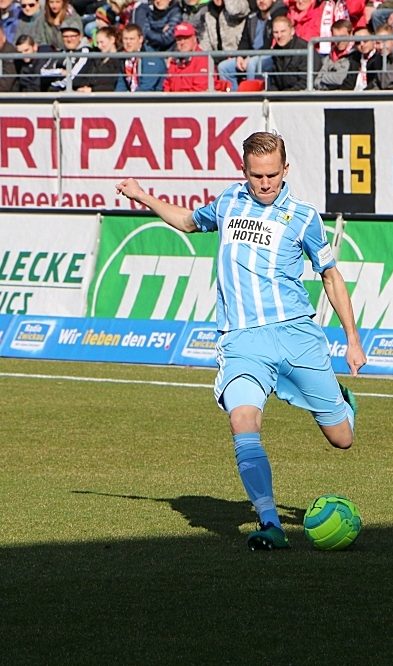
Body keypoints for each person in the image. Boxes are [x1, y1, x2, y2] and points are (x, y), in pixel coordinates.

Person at [115, 131, 365, 552]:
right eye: (256, 175)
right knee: (241, 421)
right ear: (243, 171)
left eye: (272, 175)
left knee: (342, 438)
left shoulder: (303, 217)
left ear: (285, 170)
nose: (264, 183)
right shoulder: (230, 202)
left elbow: (330, 276)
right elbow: (188, 221)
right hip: (242, 341)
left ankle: (341, 401)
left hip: (297, 336)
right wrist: (143, 197)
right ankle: (270, 523)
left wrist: (352, 340)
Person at [217, 0, 283, 89]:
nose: (262, 1)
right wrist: (240, 56)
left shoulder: (279, 14)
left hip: (269, 55)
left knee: (251, 64)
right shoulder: (252, 16)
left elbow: (269, 44)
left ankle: (250, 97)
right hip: (251, 56)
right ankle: (233, 99)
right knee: (223, 67)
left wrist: (250, 57)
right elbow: (245, 39)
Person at [41, 18, 102, 89]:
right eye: (65, 36)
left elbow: (73, 77)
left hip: (74, 94)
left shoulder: (85, 52)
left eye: (73, 36)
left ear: (80, 37)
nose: (69, 40)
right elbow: (43, 72)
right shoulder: (60, 52)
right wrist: (61, 72)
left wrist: (55, 84)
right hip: (55, 91)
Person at [115, 23, 166, 90]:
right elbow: (121, 84)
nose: (128, 42)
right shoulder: (124, 57)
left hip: (152, 98)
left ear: (140, 39)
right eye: (125, 39)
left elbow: (147, 87)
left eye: (132, 39)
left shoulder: (151, 58)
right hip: (133, 96)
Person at [313, 18, 361, 88]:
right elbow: (316, 81)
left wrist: (324, 77)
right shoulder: (329, 56)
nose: (339, 41)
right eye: (335, 37)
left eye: (343, 37)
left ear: (350, 34)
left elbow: (340, 79)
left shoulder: (354, 56)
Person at [162, 20, 209, 89]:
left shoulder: (202, 59)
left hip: (192, 99)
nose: (182, 42)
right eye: (179, 39)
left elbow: (200, 89)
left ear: (194, 39)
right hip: (174, 98)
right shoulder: (174, 60)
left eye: (186, 38)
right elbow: (167, 84)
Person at [269, 14, 307, 90]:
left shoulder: (304, 49)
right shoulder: (276, 51)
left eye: (283, 31)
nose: (279, 36)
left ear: (292, 31)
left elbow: (305, 81)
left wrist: (286, 95)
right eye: (276, 32)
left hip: (300, 97)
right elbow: (274, 81)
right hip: (282, 96)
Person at [89, 24, 121, 89]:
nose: (99, 46)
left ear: (112, 39)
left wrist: (93, 90)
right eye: (98, 43)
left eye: (102, 42)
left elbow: (112, 82)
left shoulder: (119, 60)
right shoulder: (98, 59)